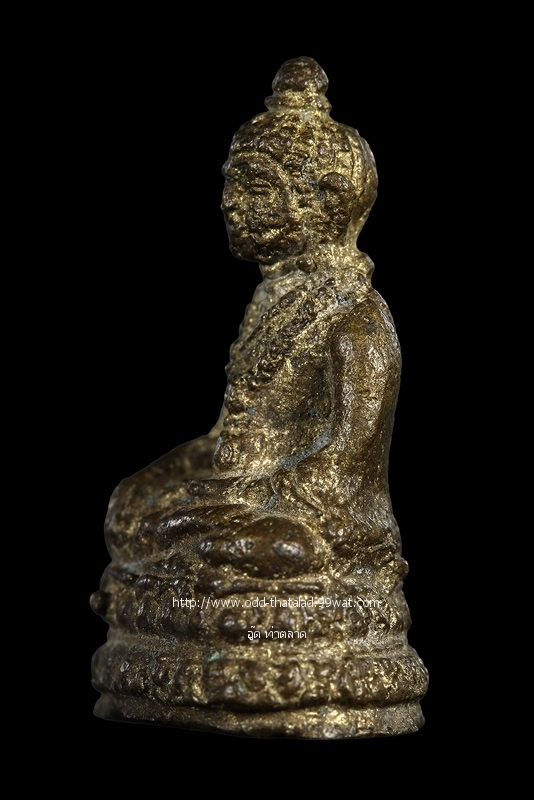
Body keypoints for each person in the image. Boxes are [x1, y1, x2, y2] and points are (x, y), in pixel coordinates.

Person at [92, 57, 428, 737]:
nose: (231, 204)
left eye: (254, 187)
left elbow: (346, 464)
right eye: (231, 186)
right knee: (132, 506)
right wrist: (174, 476)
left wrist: (233, 500)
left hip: (318, 516)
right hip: (244, 493)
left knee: (270, 549)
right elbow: (235, 436)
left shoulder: (356, 317)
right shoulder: (276, 301)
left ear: (323, 201)